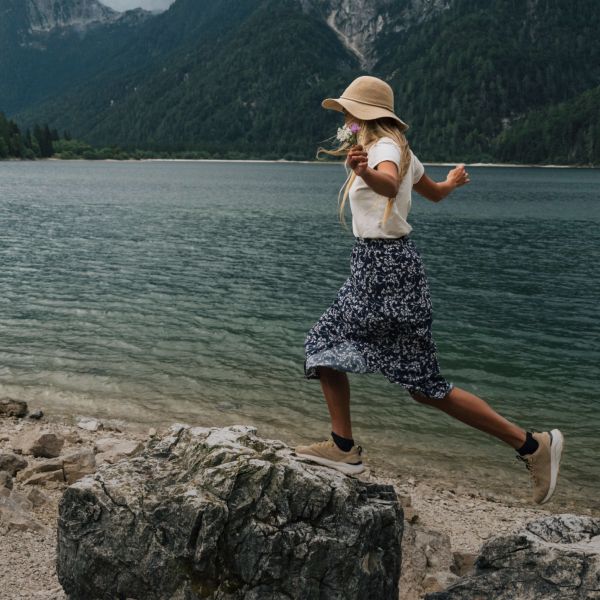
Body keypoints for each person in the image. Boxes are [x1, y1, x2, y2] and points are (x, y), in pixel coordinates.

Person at [294, 75, 564, 505]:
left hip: (382, 272)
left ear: (365, 114)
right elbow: (432, 193)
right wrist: (451, 183)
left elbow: (386, 181)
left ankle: (344, 448)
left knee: (324, 343)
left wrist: (365, 171)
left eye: (347, 111)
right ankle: (532, 446)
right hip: (389, 269)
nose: (344, 117)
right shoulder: (402, 150)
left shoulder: (383, 151)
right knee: (424, 386)